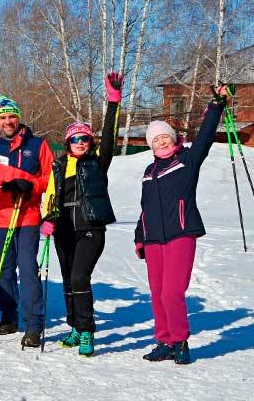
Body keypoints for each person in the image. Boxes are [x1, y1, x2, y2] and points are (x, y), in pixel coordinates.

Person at [135, 85, 229, 365]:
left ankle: (180, 341)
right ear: (151, 145)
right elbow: (144, 208)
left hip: (180, 233)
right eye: (156, 140)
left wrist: (216, 106)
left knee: (172, 292)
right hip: (153, 240)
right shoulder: (149, 171)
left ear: (173, 138)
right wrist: (140, 237)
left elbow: (205, 138)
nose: (161, 143)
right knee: (156, 294)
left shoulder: (187, 160)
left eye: (165, 137)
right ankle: (163, 341)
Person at [41, 72, 123, 357]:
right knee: (67, 281)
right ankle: (74, 326)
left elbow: (110, 139)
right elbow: (51, 196)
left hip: (90, 228)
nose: (80, 142)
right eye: (75, 138)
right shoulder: (59, 166)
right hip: (63, 229)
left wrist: (113, 103)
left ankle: (87, 330)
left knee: (79, 279)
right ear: (67, 142)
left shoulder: (97, 163)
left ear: (90, 142)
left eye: (85, 138)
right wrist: (47, 219)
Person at [0, 95, 54, 348]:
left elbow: (51, 180)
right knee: (4, 271)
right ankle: (9, 318)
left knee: (28, 269)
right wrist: (3, 187)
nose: (8, 121)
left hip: (27, 216)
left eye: (11, 116)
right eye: (3, 117)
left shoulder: (37, 145)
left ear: (18, 117)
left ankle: (34, 324)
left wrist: (30, 186)